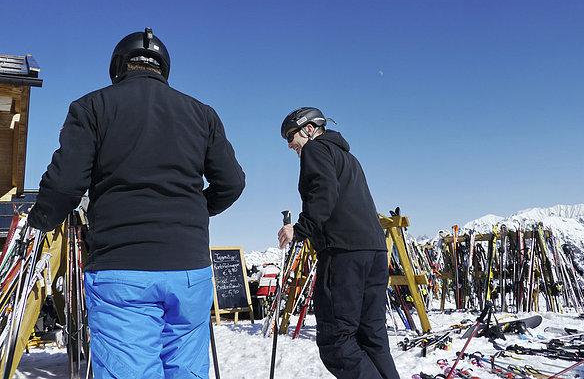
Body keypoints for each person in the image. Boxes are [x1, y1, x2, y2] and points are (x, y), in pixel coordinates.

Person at [27, 28, 245, 379]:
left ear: (119, 66)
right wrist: (193, 213)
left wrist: (39, 219)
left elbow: (66, 184)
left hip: (122, 267)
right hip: (189, 270)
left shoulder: (92, 107)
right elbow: (232, 183)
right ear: (163, 68)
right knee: (186, 370)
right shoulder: (202, 113)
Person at [277, 107, 399, 379]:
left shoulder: (315, 149)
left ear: (308, 129)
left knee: (337, 342)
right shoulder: (348, 158)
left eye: (291, 135)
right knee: (372, 337)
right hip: (375, 252)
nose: (289, 144)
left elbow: (323, 192)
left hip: (344, 254)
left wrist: (299, 230)